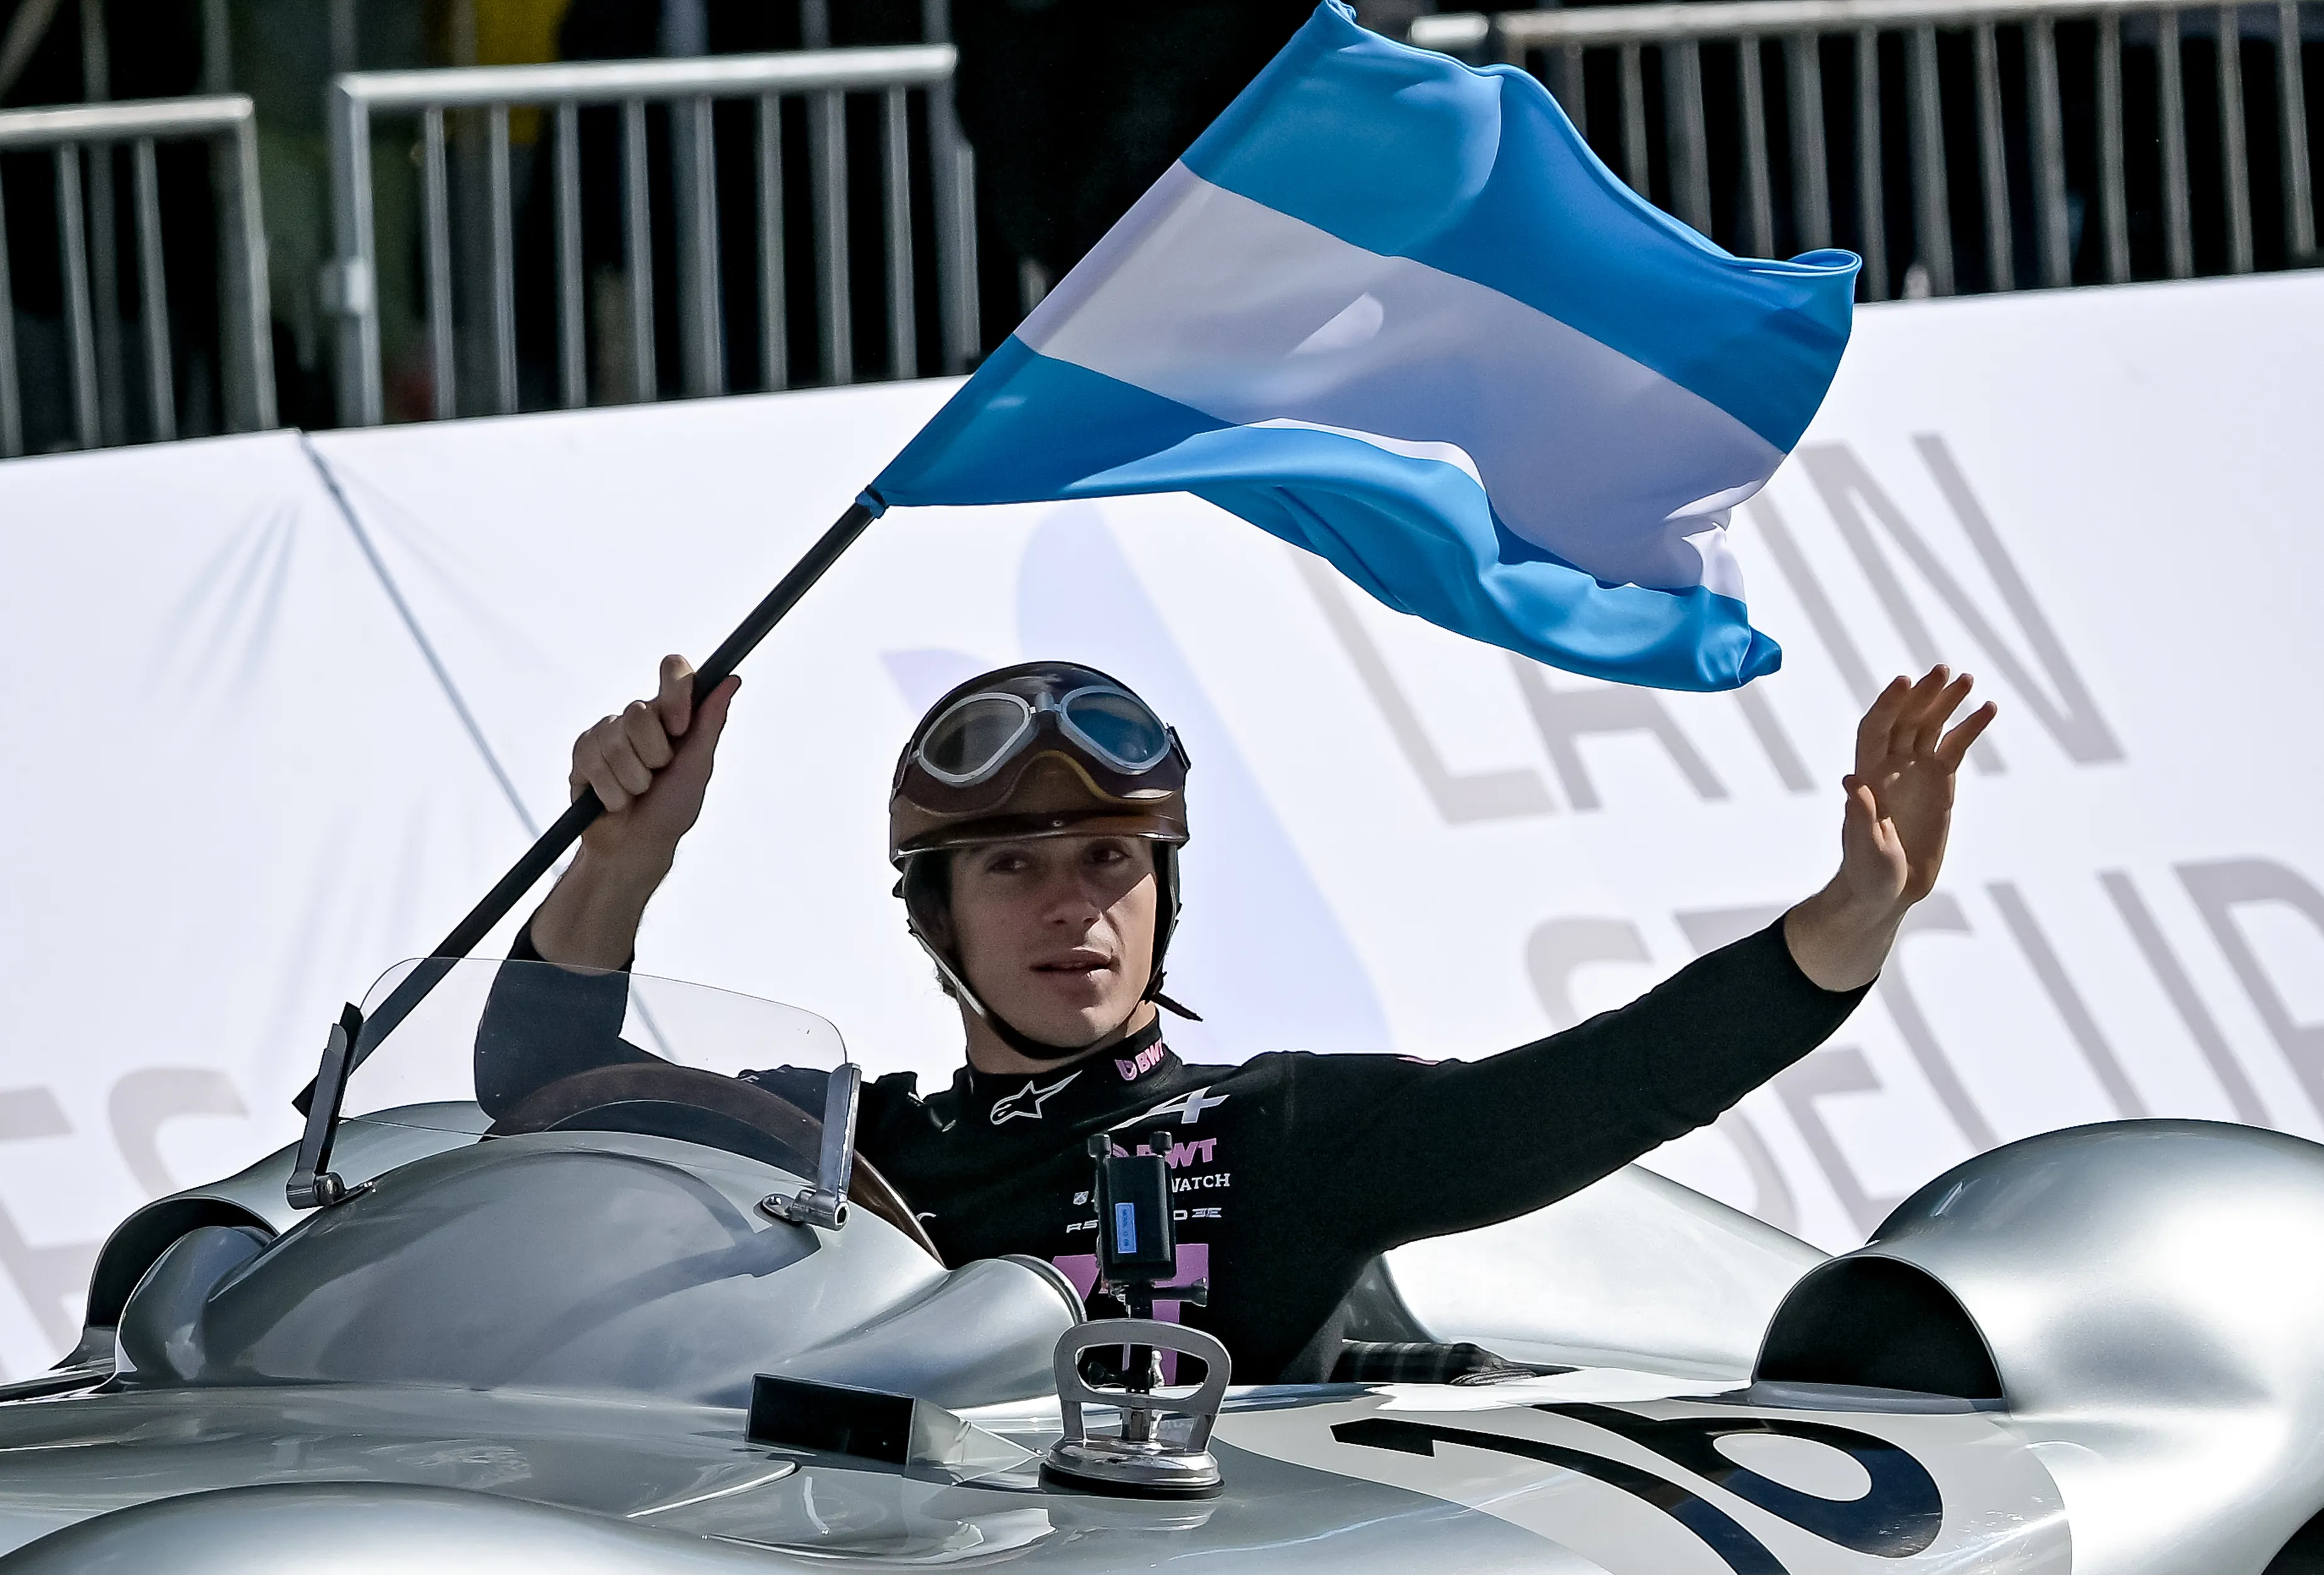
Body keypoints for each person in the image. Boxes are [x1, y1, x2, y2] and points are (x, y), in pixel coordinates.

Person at [475, 654, 1995, 1383]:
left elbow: (1594, 1092)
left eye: (1110, 862)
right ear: (930, 918)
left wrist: (1845, 922)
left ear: (1163, 894)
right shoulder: (837, 1146)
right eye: (1011, 867)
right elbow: (545, 1086)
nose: (1073, 906)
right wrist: (624, 856)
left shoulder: (1268, 1132)